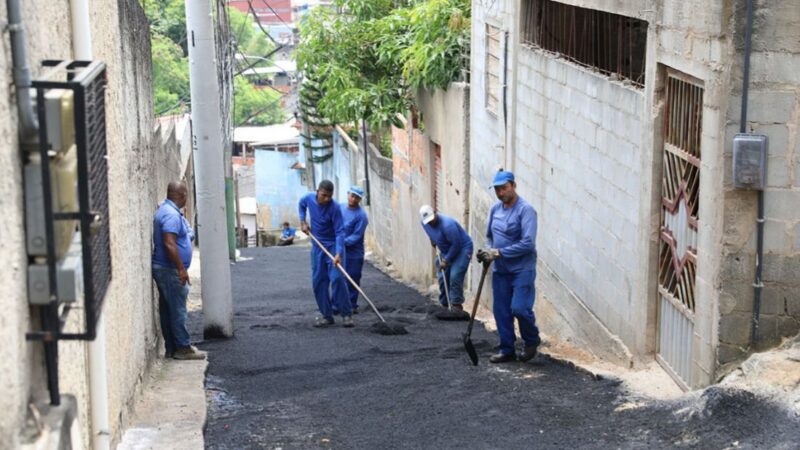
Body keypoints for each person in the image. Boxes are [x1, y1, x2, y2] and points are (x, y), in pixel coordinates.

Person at [477, 170, 541, 363]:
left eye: (504, 188)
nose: (500, 193)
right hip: (501, 271)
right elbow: (490, 236)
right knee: (501, 311)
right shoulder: (495, 209)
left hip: (522, 270)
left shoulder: (526, 210)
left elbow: (528, 243)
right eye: (497, 189)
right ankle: (507, 349)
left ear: (513, 186)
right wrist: (487, 251)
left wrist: (498, 253)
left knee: (519, 309)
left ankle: (532, 339)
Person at [152, 181, 205, 360]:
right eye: (186, 196)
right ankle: (182, 347)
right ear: (182, 195)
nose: (186, 199)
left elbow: (184, 235)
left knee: (168, 309)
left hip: (165, 268)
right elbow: (169, 243)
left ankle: (172, 348)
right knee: (178, 310)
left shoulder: (169, 212)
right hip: (170, 270)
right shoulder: (171, 215)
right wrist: (181, 269)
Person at [298, 180, 353, 327]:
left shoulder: (334, 208)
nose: (327, 199)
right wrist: (302, 221)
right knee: (319, 281)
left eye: (329, 196)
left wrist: (339, 253)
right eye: (324, 195)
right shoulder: (309, 198)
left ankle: (346, 314)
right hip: (317, 247)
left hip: (334, 246)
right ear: (317, 192)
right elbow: (301, 204)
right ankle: (327, 315)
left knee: (337, 279)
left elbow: (340, 232)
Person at [419, 205, 473, 311]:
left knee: (455, 275)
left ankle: (456, 305)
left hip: (462, 248)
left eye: (431, 219)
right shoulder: (424, 222)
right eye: (427, 221)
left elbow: (456, 245)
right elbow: (430, 233)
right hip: (445, 249)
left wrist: (446, 260)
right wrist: (433, 240)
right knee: (442, 277)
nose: (430, 223)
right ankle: (444, 304)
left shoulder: (448, 225)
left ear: (434, 212)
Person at [341, 186, 369, 313]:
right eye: (352, 195)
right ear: (348, 194)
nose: (353, 199)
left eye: (357, 197)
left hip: (354, 252)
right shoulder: (340, 208)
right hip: (339, 250)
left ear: (360, 199)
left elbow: (356, 236)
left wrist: (341, 242)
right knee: (339, 278)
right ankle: (339, 304)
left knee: (353, 278)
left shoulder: (361, 215)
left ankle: (352, 305)